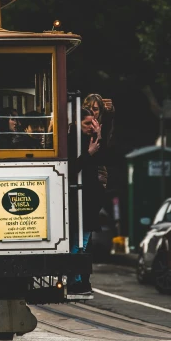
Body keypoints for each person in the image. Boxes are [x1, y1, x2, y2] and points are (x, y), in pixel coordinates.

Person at [67, 108, 106, 294]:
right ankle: (75, 281)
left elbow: (103, 159)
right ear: (77, 123)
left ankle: (80, 280)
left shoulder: (91, 141)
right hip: (77, 200)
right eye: (87, 124)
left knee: (83, 240)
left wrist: (99, 136)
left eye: (93, 123)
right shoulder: (71, 141)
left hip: (89, 200)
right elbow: (70, 169)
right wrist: (88, 153)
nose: (91, 127)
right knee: (79, 241)